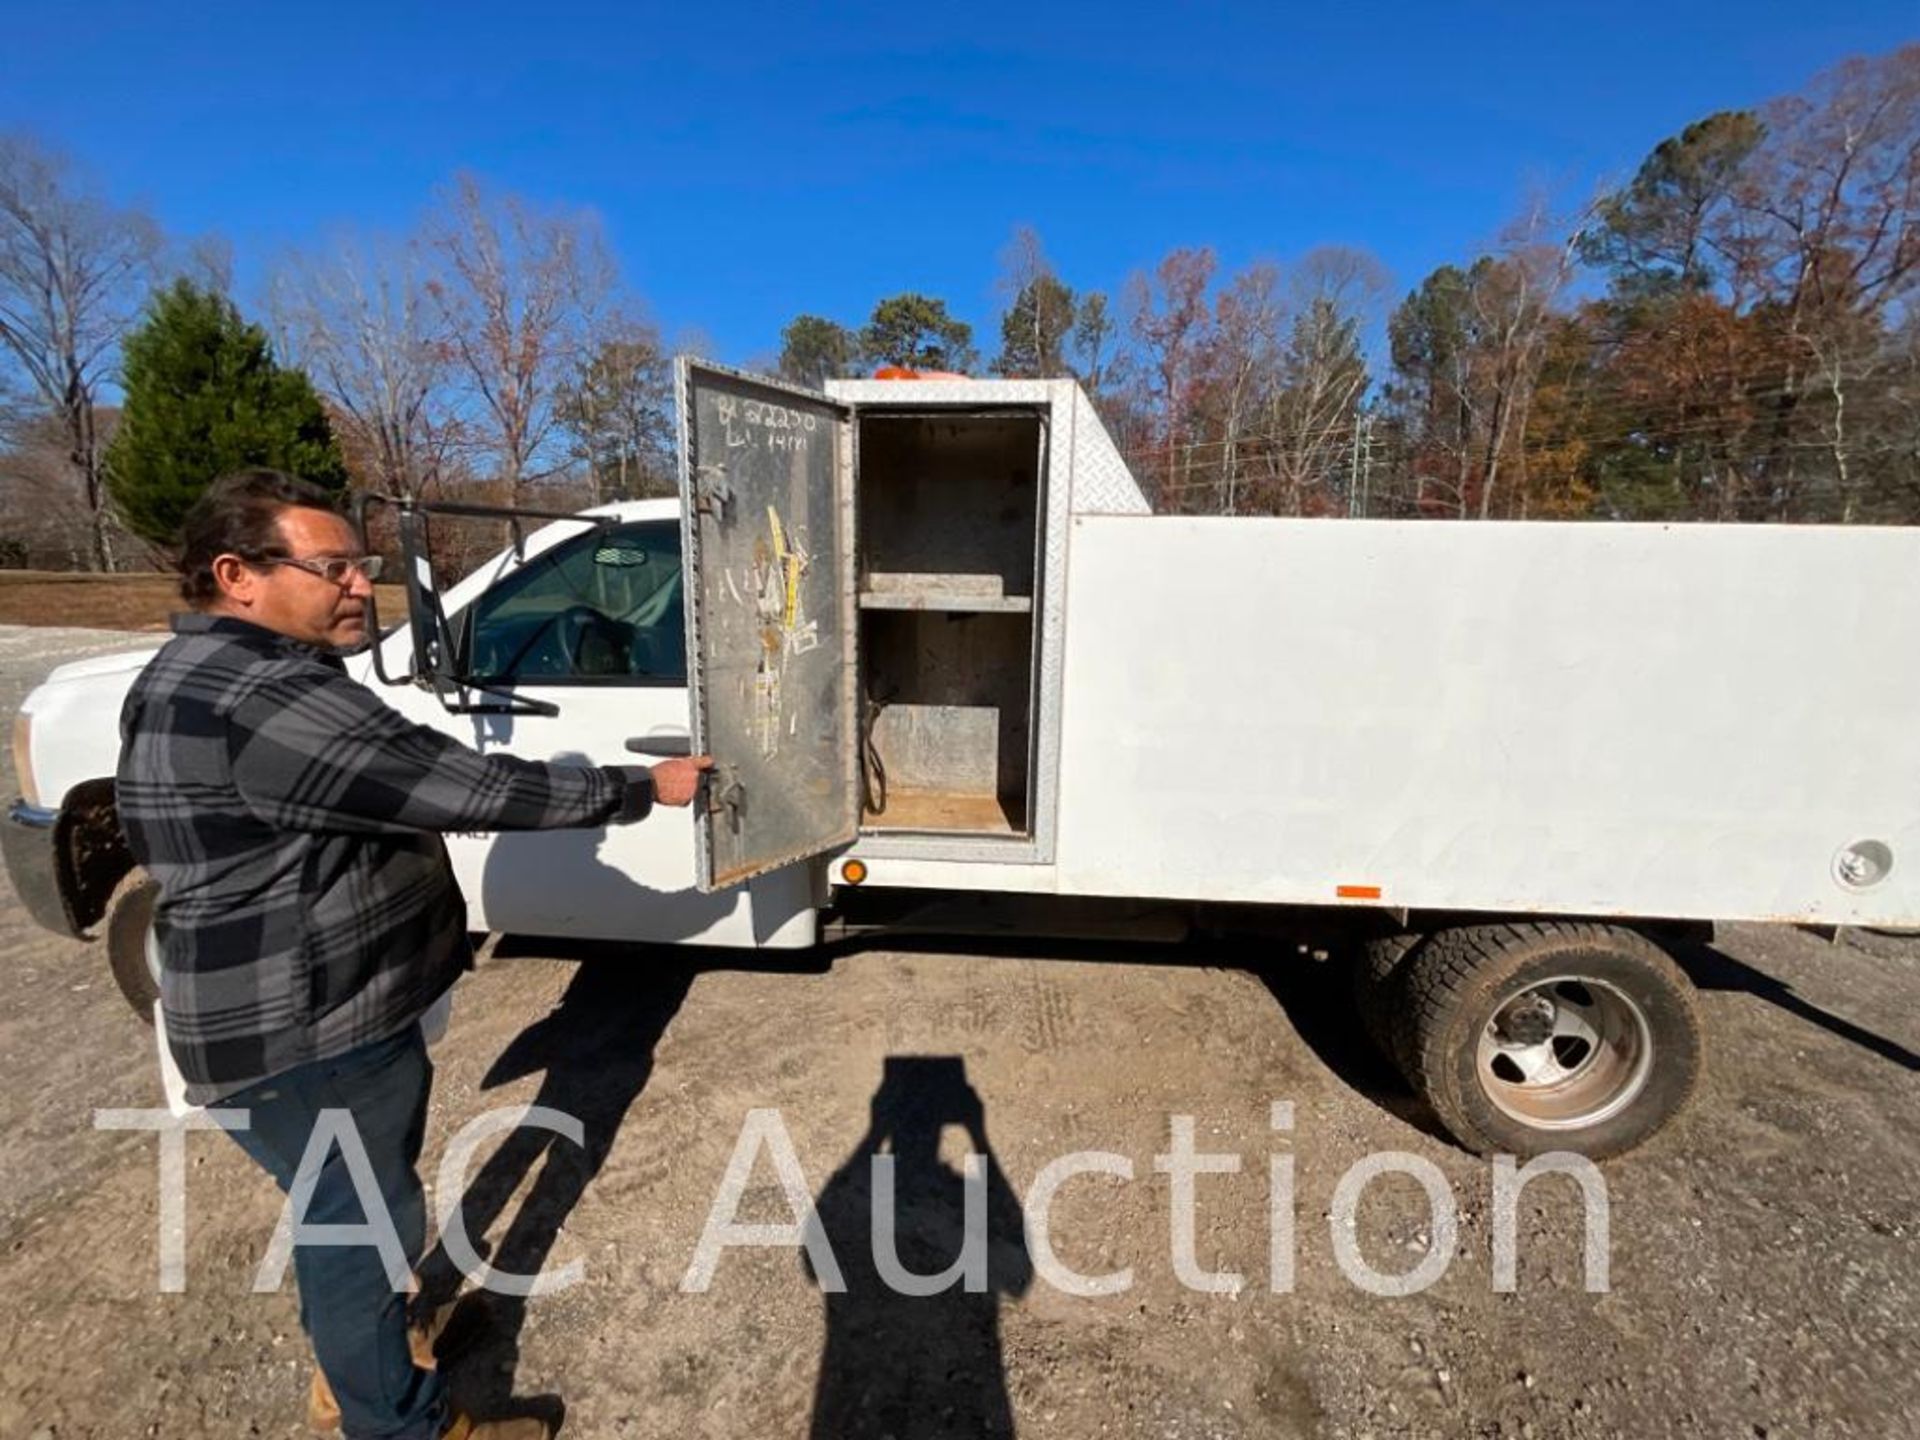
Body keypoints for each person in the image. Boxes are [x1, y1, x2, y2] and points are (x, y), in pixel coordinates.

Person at [116, 469, 712, 1440]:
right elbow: (467, 785)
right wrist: (640, 789)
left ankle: (369, 1359)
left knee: (341, 1221)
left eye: (364, 565)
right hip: (310, 1034)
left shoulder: (187, 675)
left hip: (260, 1019)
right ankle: (397, 1419)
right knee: (361, 1234)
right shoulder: (271, 698)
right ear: (238, 576)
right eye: (335, 567)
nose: (361, 585)